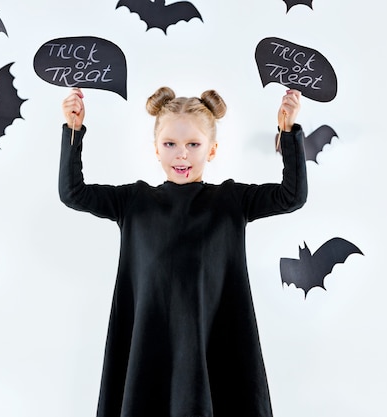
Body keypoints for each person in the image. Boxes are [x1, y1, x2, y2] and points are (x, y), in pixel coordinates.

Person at [59, 86, 307, 417]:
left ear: (212, 149)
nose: (182, 154)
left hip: (212, 338)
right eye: (170, 144)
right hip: (151, 342)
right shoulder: (133, 201)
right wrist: (73, 130)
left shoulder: (231, 201)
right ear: (156, 149)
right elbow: (73, 193)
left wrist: (287, 130)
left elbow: (292, 196)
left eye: (193, 145)